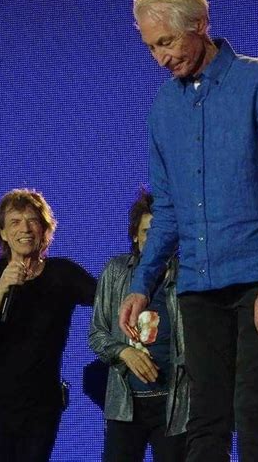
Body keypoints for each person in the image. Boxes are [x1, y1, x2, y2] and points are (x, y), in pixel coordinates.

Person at [119, 0, 258, 461]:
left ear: (200, 24)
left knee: (253, 412)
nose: (161, 58)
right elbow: (166, 209)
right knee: (204, 418)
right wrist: (141, 283)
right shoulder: (163, 109)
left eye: (165, 42)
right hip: (198, 287)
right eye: (150, 48)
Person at [0, 188, 96, 462]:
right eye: (15, 222)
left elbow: (106, 300)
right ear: (3, 233)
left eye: (33, 221)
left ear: (44, 229)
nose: (25, 229)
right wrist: (2, 287)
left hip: (43, 404)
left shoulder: (62, 274)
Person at [89, 187, 188, 462]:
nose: (155, 240)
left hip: (174, 406)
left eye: (162, 233)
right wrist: (124, 352)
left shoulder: (187, 275)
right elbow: (96, 334)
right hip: (125, 405)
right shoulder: (116, 271)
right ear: (135, 235)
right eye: (147, 232)